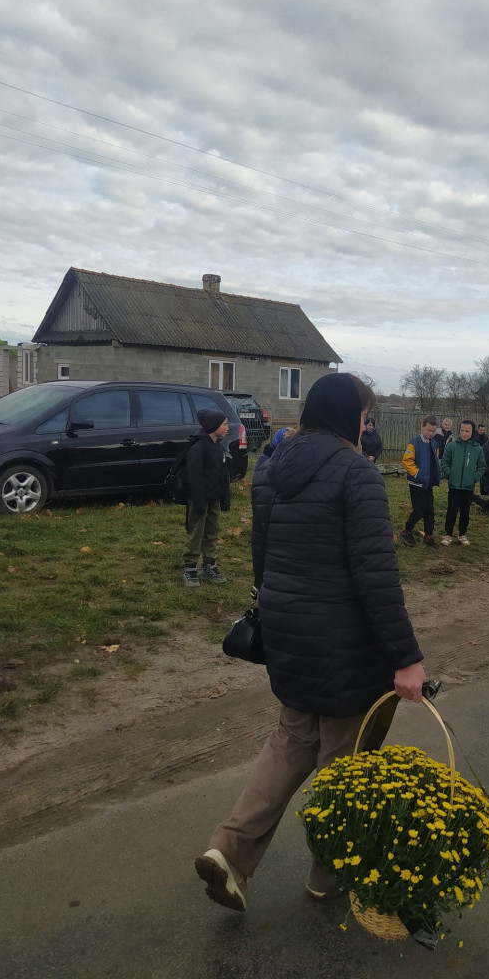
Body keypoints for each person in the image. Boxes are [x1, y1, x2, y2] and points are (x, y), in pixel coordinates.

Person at [195, 373, 426, 912]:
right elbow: (376, 577)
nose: (368, 425)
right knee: (344, 763)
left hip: (289, 634)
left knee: (289, 743)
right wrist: (406, 658)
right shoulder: (357, 474)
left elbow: (262, 556)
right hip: (347, 647)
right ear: (350, 416)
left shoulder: (272, 469)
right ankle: (329, 873)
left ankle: (228, 851)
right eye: (366, 416)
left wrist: (276, 613)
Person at [182, 409, 231, 587]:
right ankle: (190, 567)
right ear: (213, 426)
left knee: (212, 533)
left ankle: (209, 564)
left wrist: (224, 497)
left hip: (214, 500)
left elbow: (223, 475)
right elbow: (193, 478)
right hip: (199, 501)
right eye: (224, 424)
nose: (227, 428)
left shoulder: (218, 447)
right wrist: (199, 501)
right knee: (196, 532)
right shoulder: (198, 449)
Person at [440, 420, 486, 544]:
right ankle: (448, 534)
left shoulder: (477, 449)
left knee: (465, 511)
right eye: (462, 431)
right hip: (454, 486)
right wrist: (449, 474)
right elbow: (444, 461)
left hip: (468, 487)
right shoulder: (452, 446)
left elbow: (482, 466)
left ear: (472, 432)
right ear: (459, 431)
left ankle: (462, 534)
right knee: (452, 510)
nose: (464, 433)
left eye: (467, 431)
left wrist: (474, 477)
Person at [400, 415, 442, 547]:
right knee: (420, 510)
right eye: (429, 430)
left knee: (430, 510)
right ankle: (406, 531)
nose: (431, 433)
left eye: (433, 431)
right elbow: (407, 461)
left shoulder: (435, 444)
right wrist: (417, 473)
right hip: (416, 483)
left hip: (428, 483)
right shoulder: (414, 443)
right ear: (422, 426)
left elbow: (435, 461)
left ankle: (428, 537)